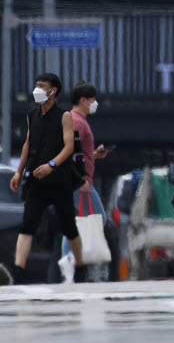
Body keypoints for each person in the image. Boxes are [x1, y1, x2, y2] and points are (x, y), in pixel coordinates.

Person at [8, 73, 86, 284]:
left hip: (59, 180)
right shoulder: (32, 115)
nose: (38, 90)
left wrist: (52, 165)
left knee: (69, 227)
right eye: (37, 86)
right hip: (36, 180)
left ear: (54, 91)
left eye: (42, 86)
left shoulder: (64, 116)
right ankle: (18, 270)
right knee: (27, 226)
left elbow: (69, 146)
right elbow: (27, 144)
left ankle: (80, 266)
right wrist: (18, 171)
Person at [62, 81, 112, 281]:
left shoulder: (75, 120)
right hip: (79, 182)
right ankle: (76, 262)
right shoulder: (78, 122)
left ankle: (68, 262)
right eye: (92, 99)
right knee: (99, 218)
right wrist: (80, 178)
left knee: (76, 222)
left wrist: (93, 155)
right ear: (83, 100)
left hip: (75, 180)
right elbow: (68, 153)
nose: (95, 103)